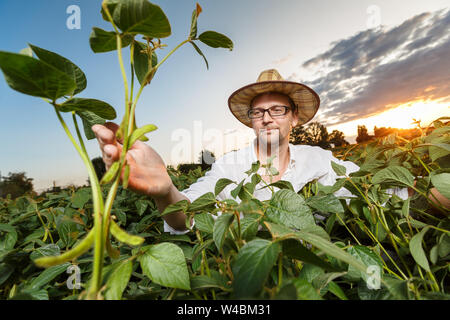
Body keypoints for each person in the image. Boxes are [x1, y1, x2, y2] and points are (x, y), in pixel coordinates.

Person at [92, 69, 448, 235]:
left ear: (294, 118)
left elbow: (379, 195)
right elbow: (185, 217)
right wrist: (165, 190)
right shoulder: (228, 168)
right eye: (258, 112)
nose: (267, 118)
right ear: (250, 122)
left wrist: (436, 194)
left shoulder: (320, 161)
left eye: (277, 110)